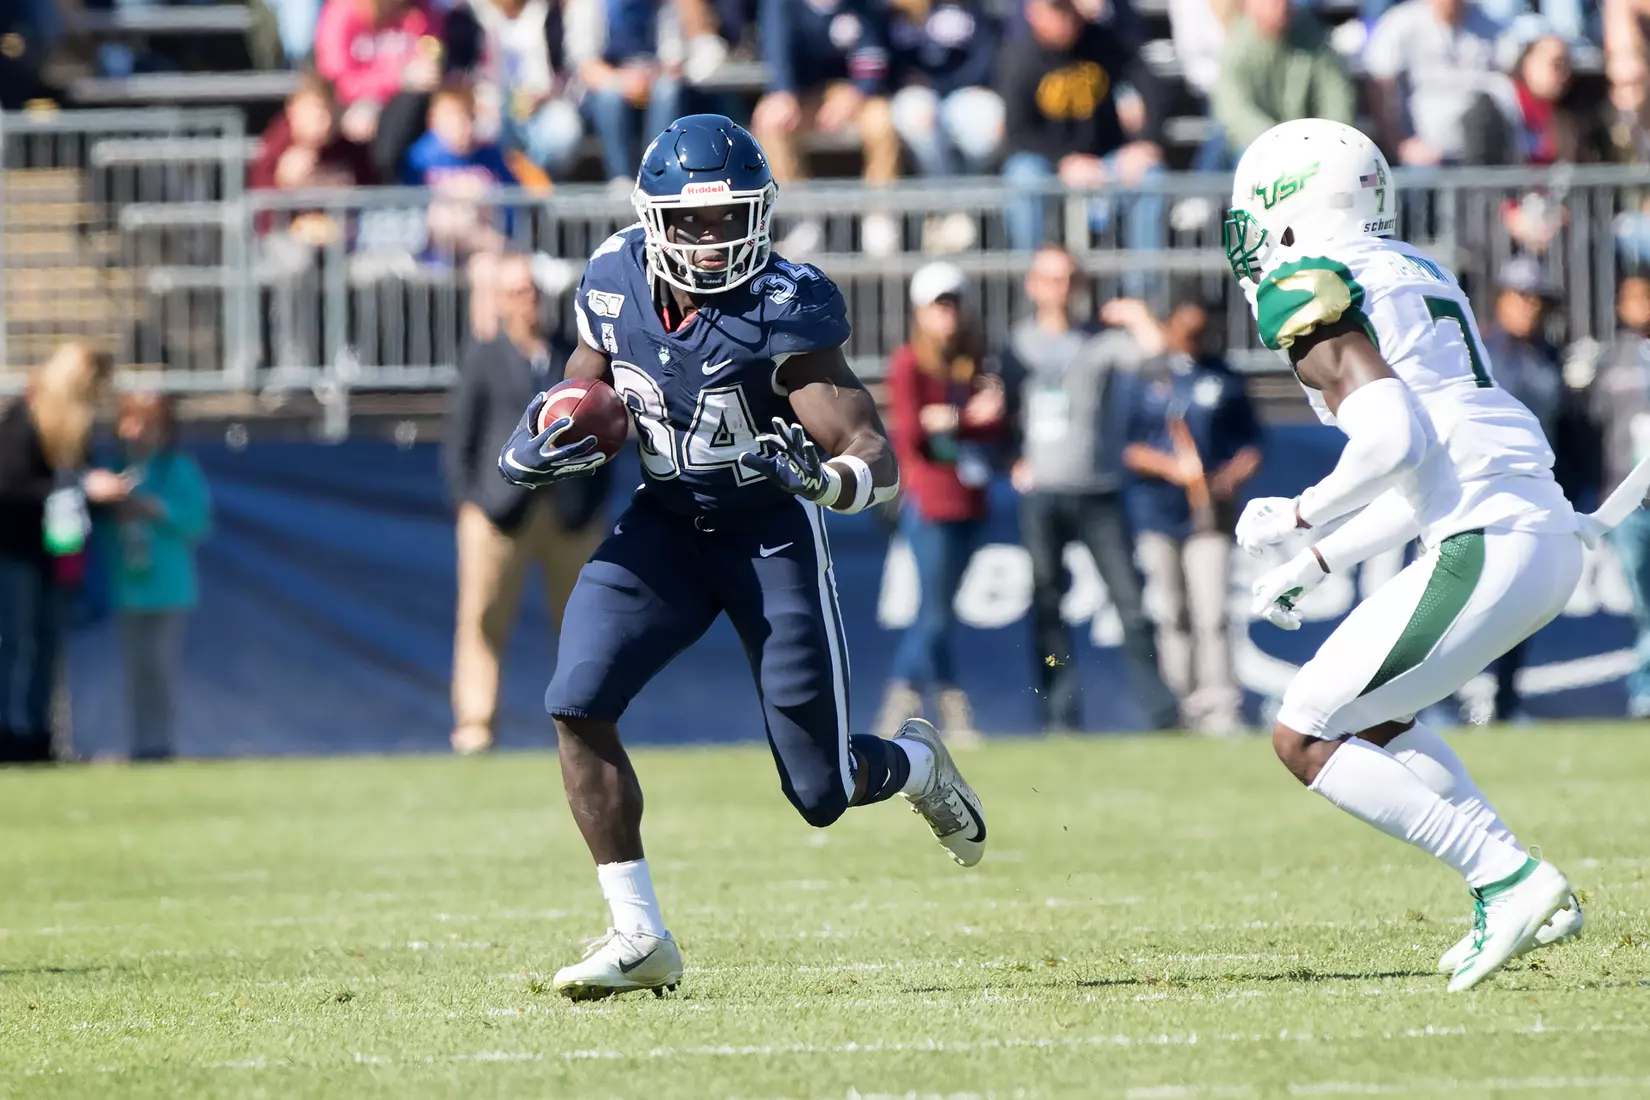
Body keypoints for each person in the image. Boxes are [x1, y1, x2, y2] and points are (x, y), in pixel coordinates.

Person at [495, 115, 987, 1000]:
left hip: (768, 538)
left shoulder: (784, 306)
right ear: (655, 220)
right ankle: (638, 933)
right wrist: (546, 432)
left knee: (822, 791)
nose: (715, 238)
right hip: (665, 525)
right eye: (694, 220)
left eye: (732, 217)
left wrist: (825, 478)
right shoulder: (612, 278)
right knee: (576, 699)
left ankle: (916, 766)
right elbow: (583, 387)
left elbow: (875, 457)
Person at [1225, 118, 1602, 992]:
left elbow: (1395, 440)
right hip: (1534, 532)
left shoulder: (1308, 284)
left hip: (1490, 538)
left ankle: (1506, 879)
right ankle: (1524, 888)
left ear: (1289, 209)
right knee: (1373, 717)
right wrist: (1316, 563)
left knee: (1303, 732)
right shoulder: (1417, 270)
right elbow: (1429, 464)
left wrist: (1299, 512)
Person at [998, 245, 1179, 732]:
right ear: (1033, 285)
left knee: (1132, 606)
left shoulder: (1102, 341)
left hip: (1099, 492)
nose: (1058, 289)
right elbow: (997, 412)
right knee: (1048, 608)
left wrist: (1138, 317)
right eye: (1049, 279)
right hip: (1043, 493)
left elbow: (1159, 363)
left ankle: (1162, 712)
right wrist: (1011, 460)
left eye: (1067, 279)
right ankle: (1059, 714)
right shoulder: (1018, 344)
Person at [443, 254, 610, 755]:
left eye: (532, 291)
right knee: (483, 621)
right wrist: (469, 502)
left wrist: (592, 499)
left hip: (569, 511)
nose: (527, 300)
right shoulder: (484, 355)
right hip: (500, 511)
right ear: (500, 302)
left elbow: (604, 426)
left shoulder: (569, 353)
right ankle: (476, 724)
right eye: (516, 292)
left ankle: (589, 719)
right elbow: (461, 436)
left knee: (585, 623)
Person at [880, 262, 1006, 746]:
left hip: (969, 500)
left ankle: (940, 712)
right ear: (921, 311)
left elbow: (996, 426)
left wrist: (954, 419)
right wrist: (966, 417)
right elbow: (912, 431)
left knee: (939, 613)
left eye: (953, 303)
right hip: (930, 503)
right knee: (934, 614)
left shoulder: (973, 364)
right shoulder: (910, 362)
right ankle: (910, 705)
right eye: (938, 304)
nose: (947, 313)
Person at [1123, 297, 1261, 735]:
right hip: (1157, 511)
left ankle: (1220, 708)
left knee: (1212, 613)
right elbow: (1128, 446)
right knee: (1169, 613)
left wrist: (1230, 477)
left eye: (1203, 332)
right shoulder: (1146, 377)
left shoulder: (1224, 377)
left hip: (1210, 514)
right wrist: (1171, 468)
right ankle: (1176, 708)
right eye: (1187, 330)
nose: (1195, 340)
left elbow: (1252, 443)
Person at [0, 344, 118, 764]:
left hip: (59, 551)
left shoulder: (73, 432)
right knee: (15, 642)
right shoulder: (24, 419)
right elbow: (9, 488)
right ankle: (8, 731)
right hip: (18, 551)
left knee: (49, 644)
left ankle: (38, 735)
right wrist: (80, 488)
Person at [996, 0, 1168, 287]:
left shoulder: (1103, 41)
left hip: (1105, 158)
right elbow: (1016, 132)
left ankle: (1142, 294)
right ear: (1033, 13)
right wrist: (1064, 162)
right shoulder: (1019, 56)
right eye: (1055, 10)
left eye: (1067, 9)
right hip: (1047, 165)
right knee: (1023, 177)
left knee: (1151, 177)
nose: (1064, 19)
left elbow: (1152, 87)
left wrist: (1146, 143)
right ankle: (1033, 292)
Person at [102, 394, 213, 762]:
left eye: (148, 424)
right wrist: (113, 511)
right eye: (130, 422)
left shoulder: (178, 469)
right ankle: (140, 745)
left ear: (164, 430)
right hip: (128, 587)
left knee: (160, 668)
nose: (137, 432)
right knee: (136, 671)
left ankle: (161, 745)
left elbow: (198, 522)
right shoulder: (112, 471)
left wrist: (156, 509)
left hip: (169, 589)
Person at [1479, 258, 1565, 723]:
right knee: (1465, 601)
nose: (1531, 307)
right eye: (1522, 297)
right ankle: (1437, 701)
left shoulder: (1551, 356)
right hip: (1479, 492)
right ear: (1502, 299)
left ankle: (1504, 701)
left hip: (1534, 497)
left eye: (1539, 300)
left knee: (1520, 604)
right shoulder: (1477, 351)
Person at [750, 0, 901, 256]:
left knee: (882, 119)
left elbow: (873, 53)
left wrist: (856, 93)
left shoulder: (861, 5)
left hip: (851, 94)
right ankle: (803, 220)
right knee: (771, 121)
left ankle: (879, 215)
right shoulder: (782, 5)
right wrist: (783, 91)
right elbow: (776, 49)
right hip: (802, 96)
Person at [886, 0, 1003, 252]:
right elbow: (885, 56)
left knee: (988, 120)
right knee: (917, 114)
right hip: (914, 92)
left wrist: (952, 84)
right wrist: (904, 79)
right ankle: (944, 209)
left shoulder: (969, 6)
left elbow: (986, 53)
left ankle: (966, 206)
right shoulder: (897, 9)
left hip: (963, 89)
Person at [1587, 272, 1650, 716]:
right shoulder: (1610, 360)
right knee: (1643, 601)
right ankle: (1644, 688)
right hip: (1628, 500)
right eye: (1634, 298)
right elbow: (1588, 427)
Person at [313, 0, 445, 183]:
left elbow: (430, 56)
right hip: (353, 105)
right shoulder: (342, 12)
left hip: (409, 109)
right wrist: (397, 78)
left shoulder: (421, 12)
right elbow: (336, 78)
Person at [1364, 0, 1504, 167]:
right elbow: (1380, 85)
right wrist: (1398, 145)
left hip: (1483, 151)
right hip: (1424, 154)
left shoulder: (1490, 24)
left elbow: (1514, 75)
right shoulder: (1401, 23)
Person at [1212, 0, 1355, 157]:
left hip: (1309, 144)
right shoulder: (1236, 49)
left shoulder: (1315, 41)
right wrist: (1277, 141)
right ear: (1249, 6)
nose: (1281, 6)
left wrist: (1326, 139)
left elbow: (1337, 98)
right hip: (1255, 144)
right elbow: (1235, 111)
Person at [564, 0, 684, 186]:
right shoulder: (588, 5)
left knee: (667, 90)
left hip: (649, 81)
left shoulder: (662, 5)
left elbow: (673, 61)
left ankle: (658, 175)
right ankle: (620, 179)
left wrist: (646, 78)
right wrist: (624, 82)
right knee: (610, 96)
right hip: (600, 90)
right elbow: (585, 65)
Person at [471, 0, 585, 179]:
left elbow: (565, 72)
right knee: (482, 129)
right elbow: (463, 71)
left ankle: (538, 181)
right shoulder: (473, 14)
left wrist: (544, 95)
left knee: (564, 130)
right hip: (490, 105)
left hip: (542, 104)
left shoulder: (547, 12)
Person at [402, 84, 518, 258]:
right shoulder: (419, 157)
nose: (462, 125)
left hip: (487, 249)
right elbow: (411, 208)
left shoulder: (490, 154)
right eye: (454, 117)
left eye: (467, 116)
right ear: (434, 119)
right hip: (437, 253)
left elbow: (512, 201)